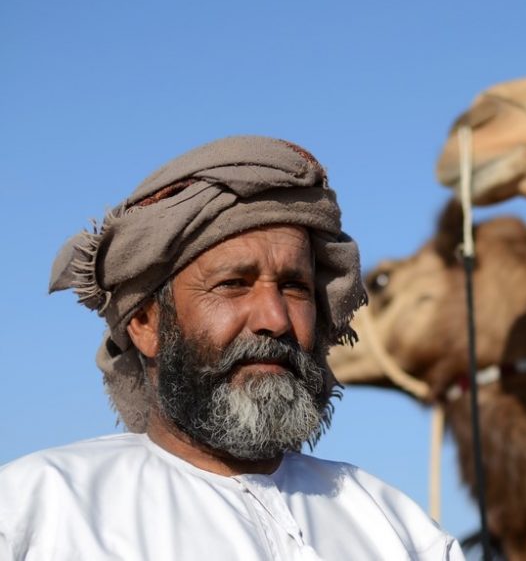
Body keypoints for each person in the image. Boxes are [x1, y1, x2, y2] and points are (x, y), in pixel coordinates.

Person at [0, 136, 464, 560]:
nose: (275, 319)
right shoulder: (38, 512)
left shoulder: (397, 529)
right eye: (233, 285)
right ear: (145, 323)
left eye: (294, 286)